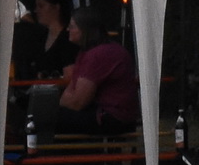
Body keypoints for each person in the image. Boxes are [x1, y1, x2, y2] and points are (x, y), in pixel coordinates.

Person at [44, 7, 137, 135]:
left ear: (84, 29)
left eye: (72, 26)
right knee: (47, 116)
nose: (67, 30)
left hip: (112, 117)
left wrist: (60, 102)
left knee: (45, 120)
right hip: (112, 114)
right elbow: (73, 91)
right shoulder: (93, 52)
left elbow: (77, 102)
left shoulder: (97, 55)